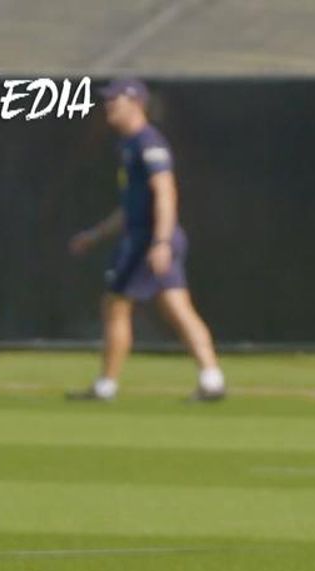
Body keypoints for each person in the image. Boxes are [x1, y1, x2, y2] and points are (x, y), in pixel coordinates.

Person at [67, 78, 225, 403]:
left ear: (136, 103)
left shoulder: (147, 142)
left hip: (148, 243)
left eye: (115, 100)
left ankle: (106, 386)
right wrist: (95, 236)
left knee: (115, 306)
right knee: (178, 308)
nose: (108, 106)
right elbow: (130, 208)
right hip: (148, 239)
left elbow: (165, 192)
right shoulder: (126, 145)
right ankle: (212, 379)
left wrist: (161, 242)